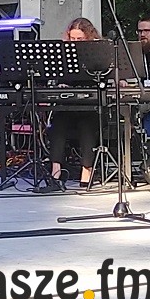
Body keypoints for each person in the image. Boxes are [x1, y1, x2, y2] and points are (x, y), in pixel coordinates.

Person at [46, 17, 101, 190]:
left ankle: (87, 170)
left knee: (87, 125)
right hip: (69, 105)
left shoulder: (97, 52)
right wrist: (61, 84)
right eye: (72, 38)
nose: (75, 42)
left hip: (91, 106)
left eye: (80, 39)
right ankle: (55, 171)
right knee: (58, 123)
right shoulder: (63, 54)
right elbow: (59, 77)